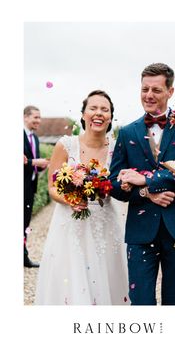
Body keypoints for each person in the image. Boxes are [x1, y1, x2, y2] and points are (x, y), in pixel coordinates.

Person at [109, 63, 175, 305]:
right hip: (140, 230)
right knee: (141, 301)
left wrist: (146, 180)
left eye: (156, 90)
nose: (149, 95)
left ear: (170, 92)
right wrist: (145, 192)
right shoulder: (126, 132)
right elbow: (114, 184)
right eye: (145, 89)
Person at [35, 90, 130, 305]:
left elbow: (122, 183)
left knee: (108, 275)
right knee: (72, 276)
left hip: (106, 222)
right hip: (70, 222)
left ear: (110, 116)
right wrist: (70, 199)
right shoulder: (66, 145)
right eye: (93, 108)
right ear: (83, 114)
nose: (99, 113)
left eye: (104, 110)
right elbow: (52, 186)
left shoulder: (118, 148)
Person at [24, 106, 49, 268]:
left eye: (39, 118)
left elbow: (30, 160)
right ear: (25, 117)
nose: (38, 121)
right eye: (35, 117)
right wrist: (34, 162)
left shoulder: (36, 138)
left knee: (25, 223)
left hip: (30, 186)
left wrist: (40, 165)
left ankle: (23, 256)